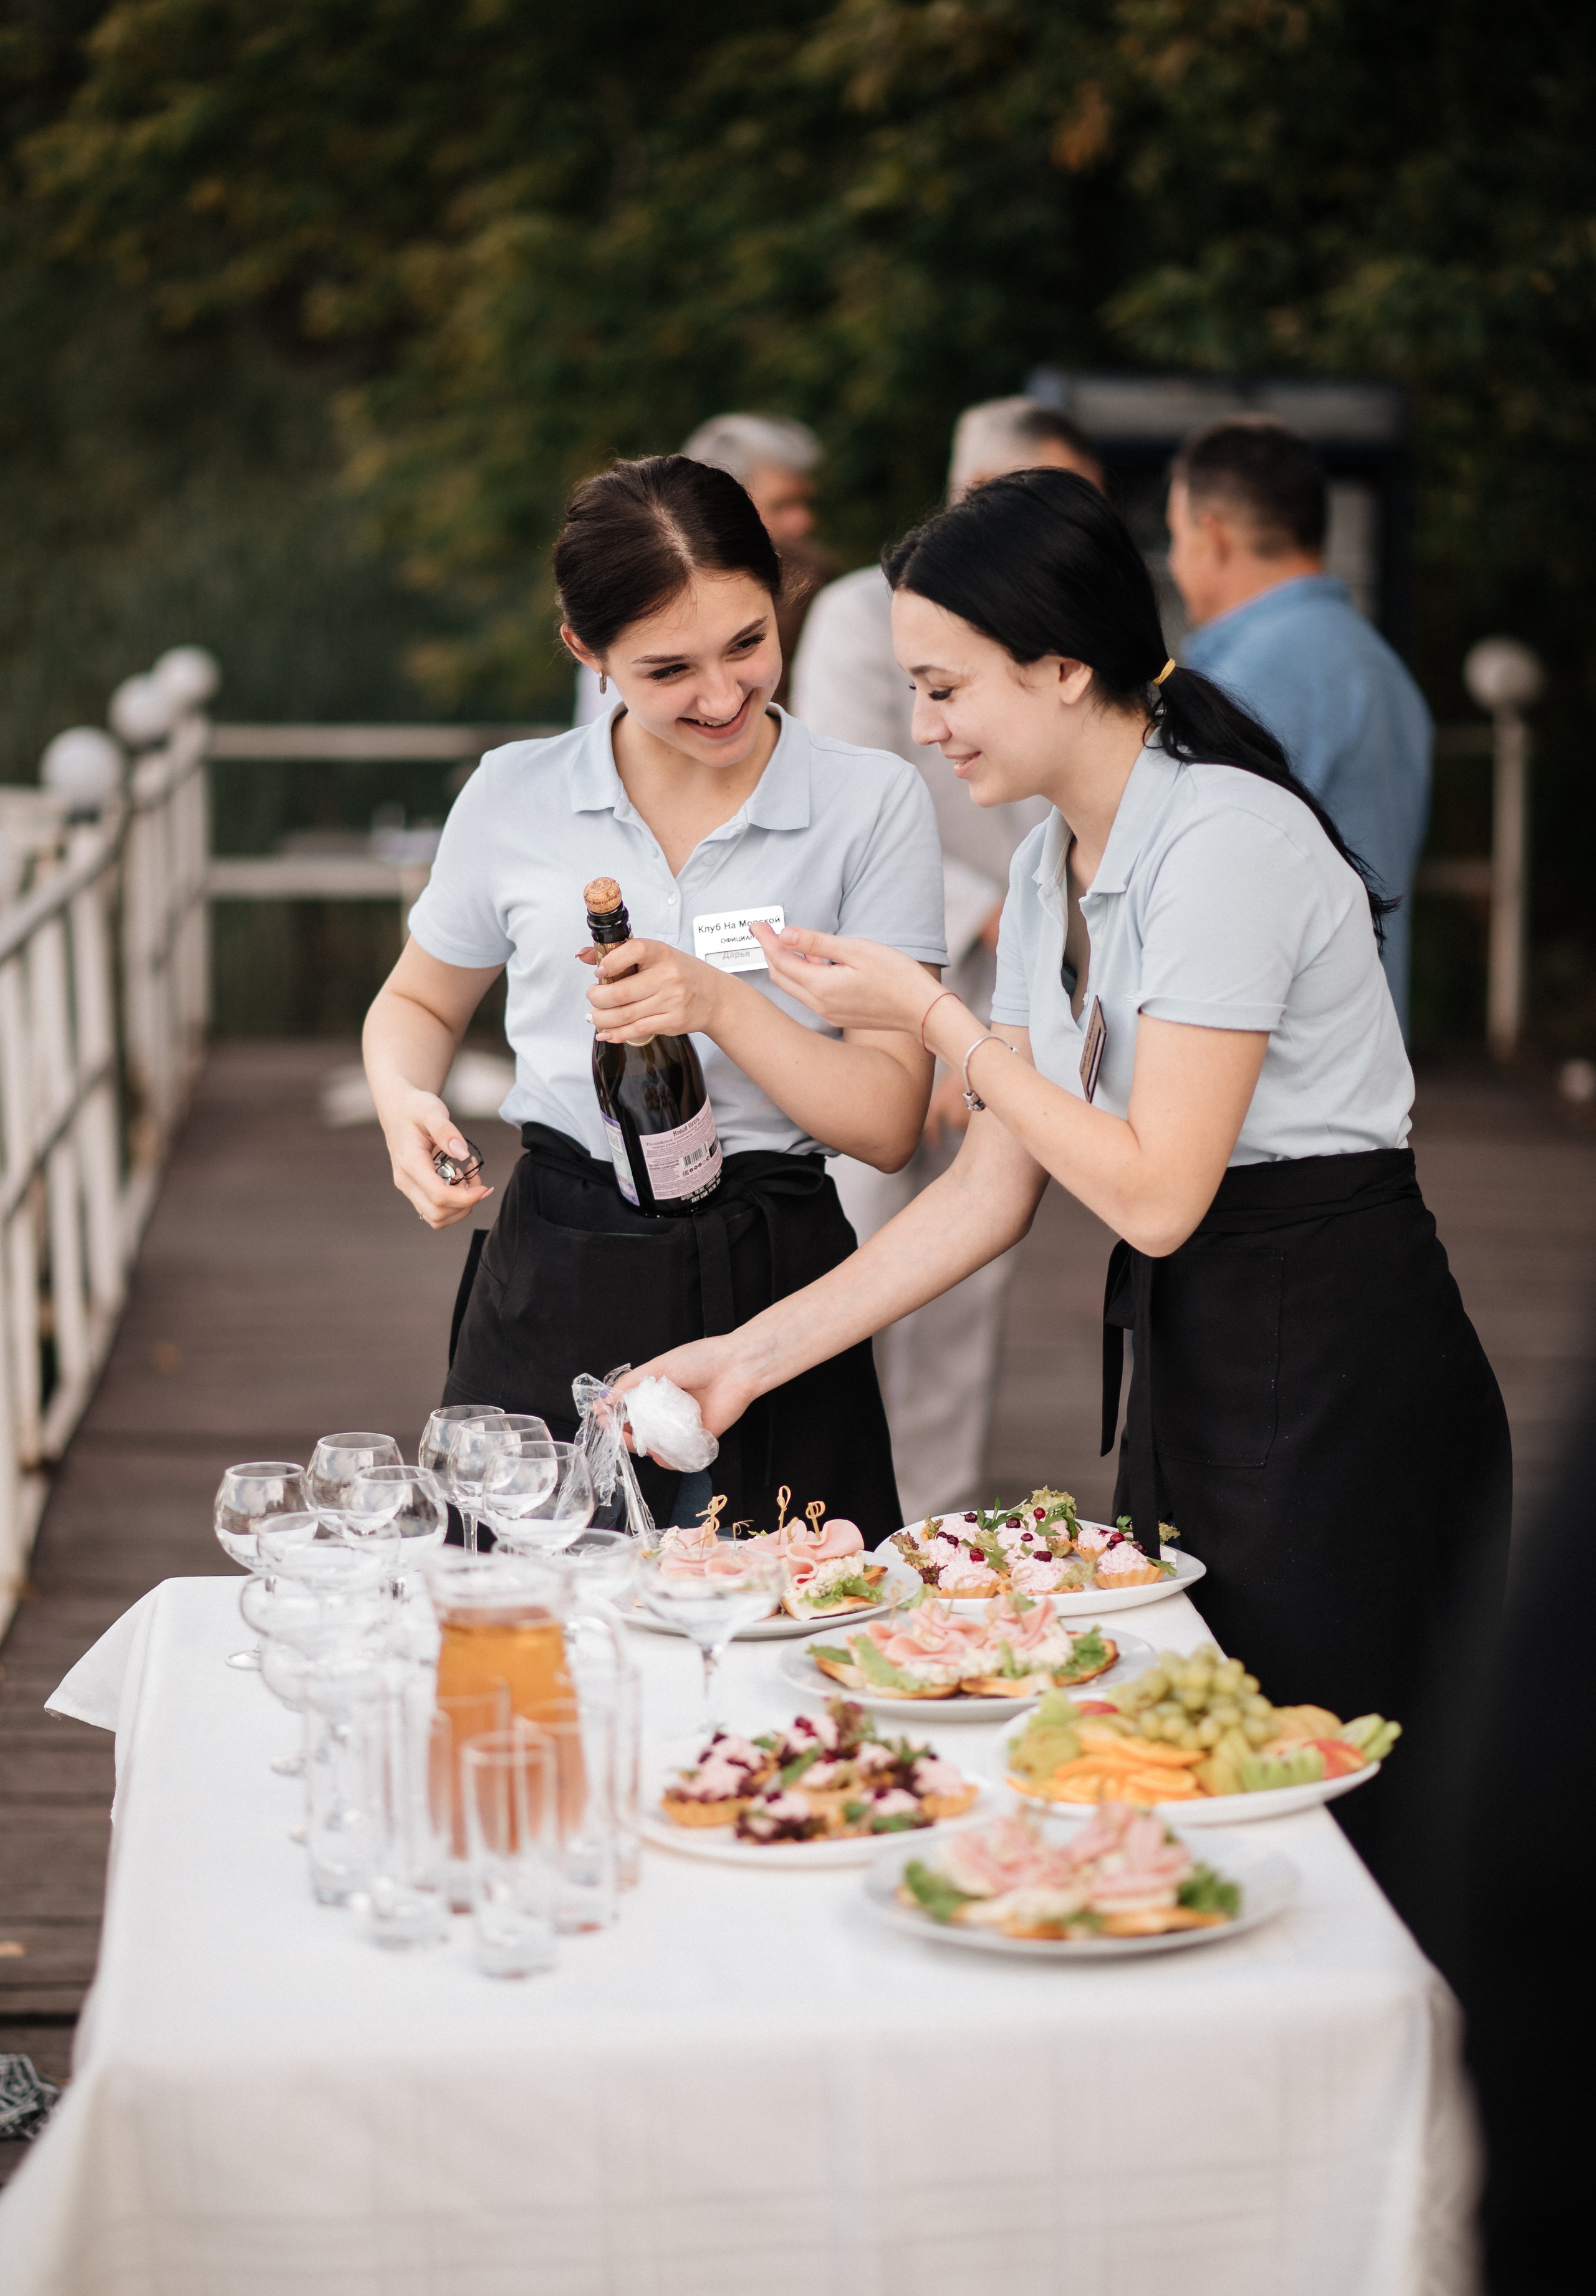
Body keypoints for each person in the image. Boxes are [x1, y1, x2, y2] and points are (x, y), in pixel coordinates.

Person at [627, 468, 1511, 1878]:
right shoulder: (1047, 866)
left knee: (1324, 1813)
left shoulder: (1221, 839)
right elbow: (989, 1189)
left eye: (943, 688)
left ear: (1060, 665)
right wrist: (746, 1356)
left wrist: (935, 1027)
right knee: (1186, 1758)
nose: (919, 728)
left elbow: (1156, 1190)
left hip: (1340, 1357)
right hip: (1202, 1347)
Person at [364, 454, 947, 1543]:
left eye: (748, 643)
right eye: (669, 668)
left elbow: (884, 1123)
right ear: (587, 652)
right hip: (558, 1258)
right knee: (519, 1620)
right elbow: (418, 1002)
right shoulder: (514, 793)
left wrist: (722, 1004)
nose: (722, 696)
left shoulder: (872, 803)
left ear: (786, 601)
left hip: (778, 1278)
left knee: (791, 1627)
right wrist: (405, 1101)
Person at [791, 398, 1105, 1519]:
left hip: (1023, 968)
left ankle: (933, 1516)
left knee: (976, 1270)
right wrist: (919, 1024)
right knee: (859, 1251)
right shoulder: (850, 617)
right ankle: (835, 1514)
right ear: (974, 494)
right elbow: (853, 810)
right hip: (879, 971)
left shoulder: (1075, 634)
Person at [1166, 414, 1433, 1035]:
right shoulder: (1377, 663)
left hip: (1269, 1066)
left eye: (1176, 538)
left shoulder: (1251, 675)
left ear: (1212, 536)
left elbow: (1201, 884)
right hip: (1355, 1056)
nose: (1177, 564)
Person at [573, 414, 832, 722]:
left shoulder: (824, 587)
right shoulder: (625, 618)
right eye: (669, 670)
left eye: (747, 643)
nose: (803, 522)